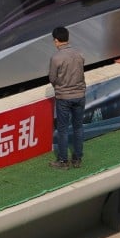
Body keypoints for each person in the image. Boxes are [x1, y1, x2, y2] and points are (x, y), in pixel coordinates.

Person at [47, 26, 86, 170]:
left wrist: (60, 85)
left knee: (62, 129)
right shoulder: (79, 54)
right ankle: (77, 158)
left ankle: (63, 161)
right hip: (80, 95)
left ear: (56, 40)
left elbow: (52, 78)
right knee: (78, 127)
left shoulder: (56, 58)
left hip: (64, 97)